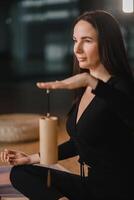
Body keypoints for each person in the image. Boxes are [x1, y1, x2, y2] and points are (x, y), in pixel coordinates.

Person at [1, 10, 134, 200]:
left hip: (118, 191)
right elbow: (79, 142)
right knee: (20, 172)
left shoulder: (121, 87)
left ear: (106, 43)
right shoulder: (85, 86)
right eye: (75, 40)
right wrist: (31, 158)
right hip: (91, 185)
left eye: (87, 40)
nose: (77, 49)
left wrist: (92, 83)